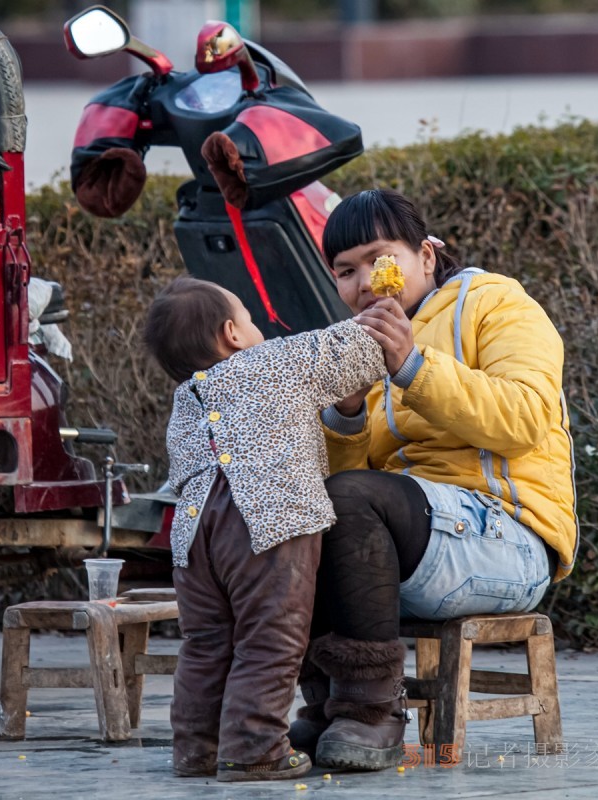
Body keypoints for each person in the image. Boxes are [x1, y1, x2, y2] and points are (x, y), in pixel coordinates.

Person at [290, 188, 579, 771]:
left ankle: (373, 711)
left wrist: (413, 366)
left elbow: (524, 418)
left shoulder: (496, 302)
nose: (366, 281)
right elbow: (351, 503)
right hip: (419, 542)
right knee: (296, 509)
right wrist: (345, 416)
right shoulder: (363, 345)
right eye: (345, 271)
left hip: (510, 539)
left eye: (380, 258)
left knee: (346, 501)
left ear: (425, 254)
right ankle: (327, 704)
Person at [143, 275, 387, 782]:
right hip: (265, 516)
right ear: (233, 333)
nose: (258, 327)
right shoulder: (272, 363)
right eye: (250, 319)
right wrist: (384, 303)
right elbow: (358, 348)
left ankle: (196, 750)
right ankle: (255, 749)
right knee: (270, 639)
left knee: (206, 644)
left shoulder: (185, 400)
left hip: (193, 536)